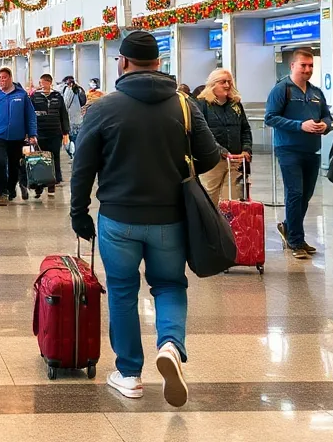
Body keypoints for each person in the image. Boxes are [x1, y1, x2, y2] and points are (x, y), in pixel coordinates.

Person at [71, 31, 221, 406]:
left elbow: (82, 167)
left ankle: (129, 374)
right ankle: (170, 344)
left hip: (118, 219)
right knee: (169, 285)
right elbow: (209, 157)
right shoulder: (184, 105)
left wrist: (79, 213)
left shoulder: (103, 108)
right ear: (159, 62)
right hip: (170, 218)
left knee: (122, 292)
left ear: (123, 62)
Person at [265, 47, 333, 259]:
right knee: (295, 193)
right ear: (292, 66)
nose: (307, 69)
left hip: (311, 150)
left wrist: (325, 126)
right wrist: (298, 126)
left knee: (306, 195)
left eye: (311, 65)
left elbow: (327, 117)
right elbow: (271, 118)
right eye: (303, 65)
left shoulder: (316, 92)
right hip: (288, 149)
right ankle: (296, 240)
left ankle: (288, 227)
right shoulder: (282, 89)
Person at [0, 67, 37, 206]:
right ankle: (2, 193)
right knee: (0, 163)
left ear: (10, 78)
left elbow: (30, 116)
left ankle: (11, 189)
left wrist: (33, 133)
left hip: (17, 137)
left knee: (14, 165)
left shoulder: (22, 95)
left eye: (4, 77)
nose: (1, 81)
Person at [196, 69, 253, 205]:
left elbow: (245, 129)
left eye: (229, 82)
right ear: (213, 84)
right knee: (209, 198)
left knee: (232, 201)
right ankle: (209, 226)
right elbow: (201, 133)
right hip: (211, 161)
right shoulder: (201, 104)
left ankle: (228, 227)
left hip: (235, 160)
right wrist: (220, 151)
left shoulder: (235, 105)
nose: (227, 85)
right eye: (223, 82)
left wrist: (246, 149)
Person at [31, 74, 71, 197]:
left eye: (45, 82)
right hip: (40, 132)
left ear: (50, 83)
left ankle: (54, 181)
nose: (43, 85)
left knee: (54, 157)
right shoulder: (35, 96)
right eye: (41, 82)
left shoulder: (57, 96)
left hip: (55, 132)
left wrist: (65, 131)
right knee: (40, 158)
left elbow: (63, 114)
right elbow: (30, 114)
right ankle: (40, 182)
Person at [61, 75, 87, 153]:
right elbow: (83, 102)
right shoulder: (78, 89)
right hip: (76, 118)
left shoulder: (71, 90)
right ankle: (75, 154)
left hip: (72, 119)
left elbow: (66, 104)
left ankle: (75, 154)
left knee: (73, 138)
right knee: (75, 138)